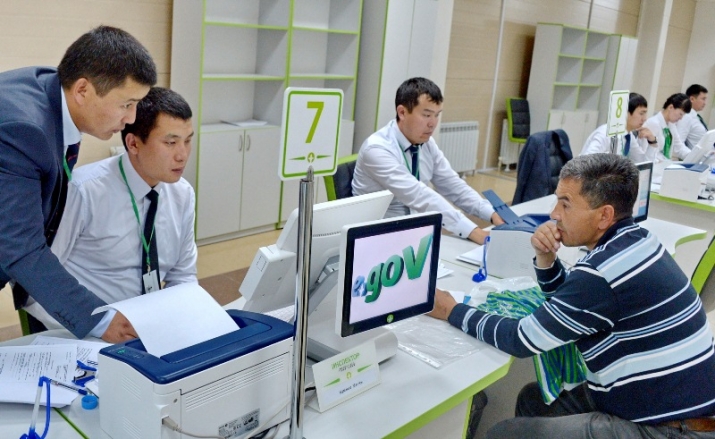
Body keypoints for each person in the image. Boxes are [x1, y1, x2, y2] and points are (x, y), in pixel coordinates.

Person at [429, 154, 715, 438]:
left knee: (504, 434)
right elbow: (573, 308)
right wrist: (546, 259)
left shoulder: (601, 272)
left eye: (565, 204)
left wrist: (451, 310)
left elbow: (522, 339)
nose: (554, 214)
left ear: (604, 216)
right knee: (534, 400)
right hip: (673, 405)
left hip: (670, 429)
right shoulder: (637, 241)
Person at [0, 26, 157, 341]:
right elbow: (21, 248)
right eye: (126, 104)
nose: (131, 117)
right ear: (83, 90)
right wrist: (99, 320)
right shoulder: (24, 131)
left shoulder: (56, 93)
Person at [24, 87, 197, 340]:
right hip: (89, 331)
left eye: (188, 140)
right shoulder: (83, 192)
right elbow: (36, 281)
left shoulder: (182, 194)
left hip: (146, 330)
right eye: (170, 143)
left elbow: (183, 276)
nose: (182, 155)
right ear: (133, 143)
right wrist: (95, 326)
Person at [352, 77, 504, 245]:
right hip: (376, 237)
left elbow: (452, 184)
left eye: (437, 115)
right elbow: (419, 195)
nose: (432, 124)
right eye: (426, 115)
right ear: (402, 112)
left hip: (414, 234)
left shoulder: (426, 144)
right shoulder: (377, 149)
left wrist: (492, 213)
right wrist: (473, 231)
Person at [580, 92, 658, 162]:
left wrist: (652, 141)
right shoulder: (605, 133)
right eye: (641, 114)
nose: (644, 119)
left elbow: (643, 163)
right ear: (626, 113)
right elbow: (586, 161)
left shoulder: (629, 136)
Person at [643, 93, 692, 161]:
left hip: (664, 163)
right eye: (680, 114)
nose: (681, 118)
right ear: (670, 107)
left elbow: (679, 147)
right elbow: (648, 153)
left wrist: (693, 155)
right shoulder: (653, 123)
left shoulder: (671, 125)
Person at [677, 84, 709, 149]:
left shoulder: (696, 116)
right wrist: (691, 155)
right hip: (696, 154)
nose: (705, 103)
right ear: (692, 99)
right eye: (703, 99)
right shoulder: (686, 117)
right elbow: (679, 143)